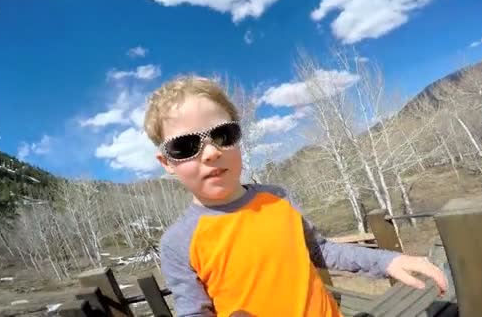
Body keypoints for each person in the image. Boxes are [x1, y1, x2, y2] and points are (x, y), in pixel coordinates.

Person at [143, 76, 447, 317]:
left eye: (223, 135)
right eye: (184, 146)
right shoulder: (178, 243)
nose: (211, 152)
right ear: (167, 163)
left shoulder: (277, 199)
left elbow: (321, 251)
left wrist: (387, 261)